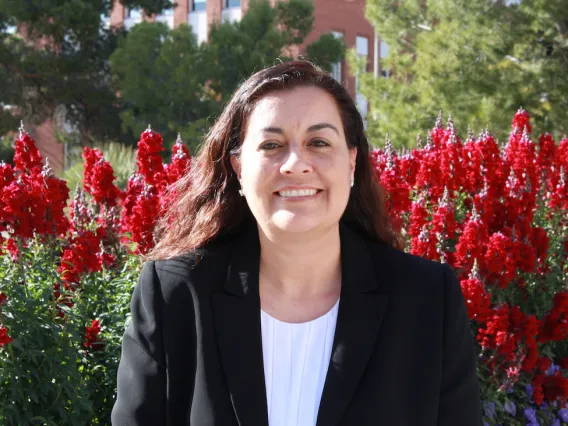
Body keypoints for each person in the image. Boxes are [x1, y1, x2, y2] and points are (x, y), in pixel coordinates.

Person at [111, 60, 482, 426]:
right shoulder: (176, 295)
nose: (295, 164)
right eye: (271, 145)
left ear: (352, 163)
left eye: (319, 142)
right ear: (239, 170)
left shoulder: (427, 299)